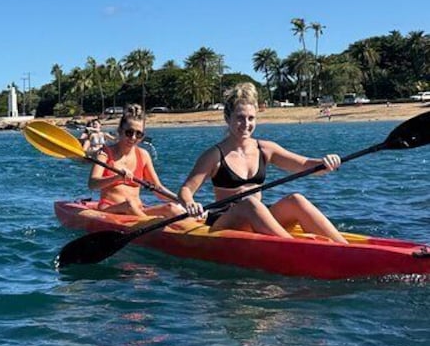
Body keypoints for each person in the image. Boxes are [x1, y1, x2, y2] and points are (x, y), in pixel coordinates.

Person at [179, 82, 347, 243]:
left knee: (296, 200)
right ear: (227, 118)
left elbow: (305, 165)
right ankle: (296, 249)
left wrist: (326, 162)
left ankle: (345, 248)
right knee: (249, 203)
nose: (246, 124)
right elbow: (185, 190)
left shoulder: (266, 149)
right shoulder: (214, 155)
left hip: (257, 216)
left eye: (251, 118)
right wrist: (190, 203)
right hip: (225, 222)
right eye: (240, 118)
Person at [88, 105, 184, 217]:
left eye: (138, 134)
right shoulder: (104, 154)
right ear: (120, 131)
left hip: (137, 210)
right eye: (129, 132)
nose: (133, 138)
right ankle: (150, 224)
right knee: (129, 205)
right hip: (111, 209)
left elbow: (157, 188)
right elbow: (92, 184)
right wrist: (117, 177)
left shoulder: (143, 155)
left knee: (171, 208)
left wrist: (182, 200)